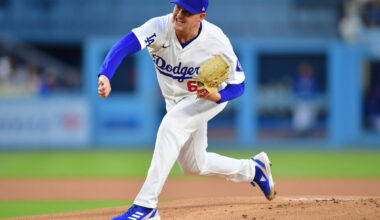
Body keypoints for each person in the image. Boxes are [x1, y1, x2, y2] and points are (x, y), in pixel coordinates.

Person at [97, 0, 275, 219]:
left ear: (201, 17)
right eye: (177, 7)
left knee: (171, 125)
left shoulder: (216, 41)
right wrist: (105, 74)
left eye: (187, 11)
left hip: (204, 98)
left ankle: (146, 206)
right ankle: (253, 169)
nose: (179, 14)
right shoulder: (160, 27)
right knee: (194, 164)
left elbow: (240, 83)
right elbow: (125, 45)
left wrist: (219, 96)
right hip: (174, 101)